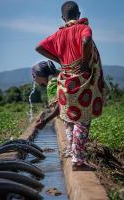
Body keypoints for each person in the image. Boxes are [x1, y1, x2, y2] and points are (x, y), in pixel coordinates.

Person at [35, 1, 105, 170]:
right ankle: (78, 161)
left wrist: (59, 59)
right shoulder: (83, 28)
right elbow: (87, 40)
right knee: (83, 120)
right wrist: (84, 62)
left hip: (65, 80)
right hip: (83, 80)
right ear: (78, 14)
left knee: (69, 118)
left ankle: (71, 152)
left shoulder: (58, 35)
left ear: (63, 17)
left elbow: (39, 47)